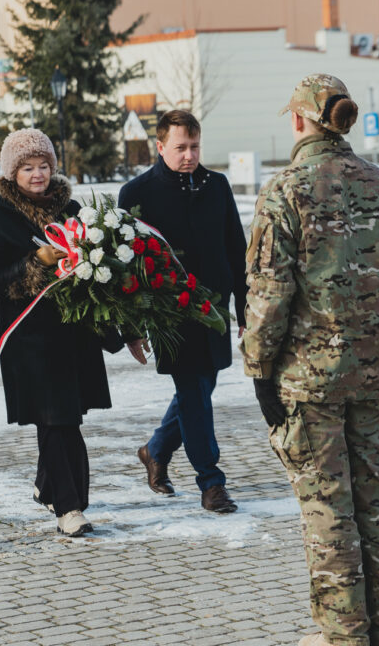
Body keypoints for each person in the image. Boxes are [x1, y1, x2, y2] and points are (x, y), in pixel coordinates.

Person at [242, 74, 379, 646]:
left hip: (309, 383)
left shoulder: (285, 191)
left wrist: (258, 369)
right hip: (376, 377)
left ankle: (344, 637)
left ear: (299, 119)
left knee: (327, 508)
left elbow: (268, 294)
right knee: (375, 502)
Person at [0, 128, 123, 537]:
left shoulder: (72, 209)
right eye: (27, 167)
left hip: (74, 334)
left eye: (43, 166)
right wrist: (36, 263)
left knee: (65, 418)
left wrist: (118, 332)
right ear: (12, 172)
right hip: (31, 339)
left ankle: (50, 486)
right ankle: (70, 507)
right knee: (57, 420)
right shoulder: (0, 218)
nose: (37, 174)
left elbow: (97, 269)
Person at [118, 109, 247, 514]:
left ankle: (155, 449)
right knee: (193, 389)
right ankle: (211, 482)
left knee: (201, 387)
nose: (189, 155)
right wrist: (131, 328)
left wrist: (245, 308)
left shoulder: (217, 185)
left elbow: (236, 250)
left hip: (214, 307)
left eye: (194, 147)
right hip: (168, 313)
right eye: (180, 148)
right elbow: (124, 268)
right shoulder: (137, 193)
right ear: (160, 147)